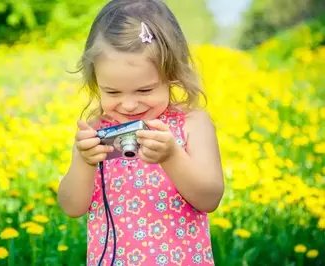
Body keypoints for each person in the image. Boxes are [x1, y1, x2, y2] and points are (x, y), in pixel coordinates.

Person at [57, 0, 224, 265]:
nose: (129, 104)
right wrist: (83, 161)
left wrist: (171, 156)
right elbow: (71, 207)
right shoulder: (97, 132)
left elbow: (210, 198)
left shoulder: (192, 123)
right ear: (95, 83)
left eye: (145, 90)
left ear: (172, 75)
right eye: (112, 92)